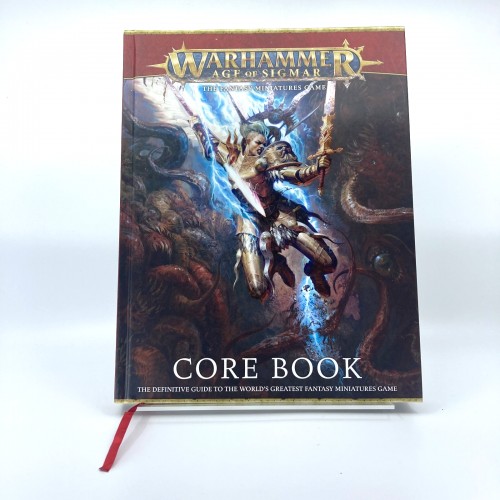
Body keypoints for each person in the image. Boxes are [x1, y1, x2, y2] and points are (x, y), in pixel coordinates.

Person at [227, 121, 337, 300]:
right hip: (250, 223)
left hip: (279, 216)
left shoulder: (268, 160)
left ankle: (314, 272)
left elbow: (295, 174)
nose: (262, 147)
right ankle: (276, 262)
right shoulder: (232, 161)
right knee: (258, 289)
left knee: (328, 262)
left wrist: (316, 168)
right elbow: (209, 146)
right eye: (258, 142)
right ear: (247, 141)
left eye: (264, 144)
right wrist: (197, 125)